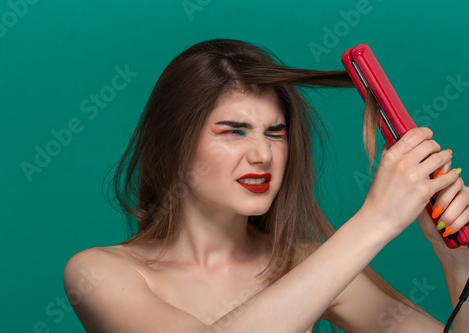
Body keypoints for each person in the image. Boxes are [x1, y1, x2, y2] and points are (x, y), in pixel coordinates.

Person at [63, 38, 469, 332]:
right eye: (233, 132)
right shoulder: (100, 273)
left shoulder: (306, 264)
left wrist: (456, 260)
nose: (262, 154)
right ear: (175, 145)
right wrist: (375, 222)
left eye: (275, 133)